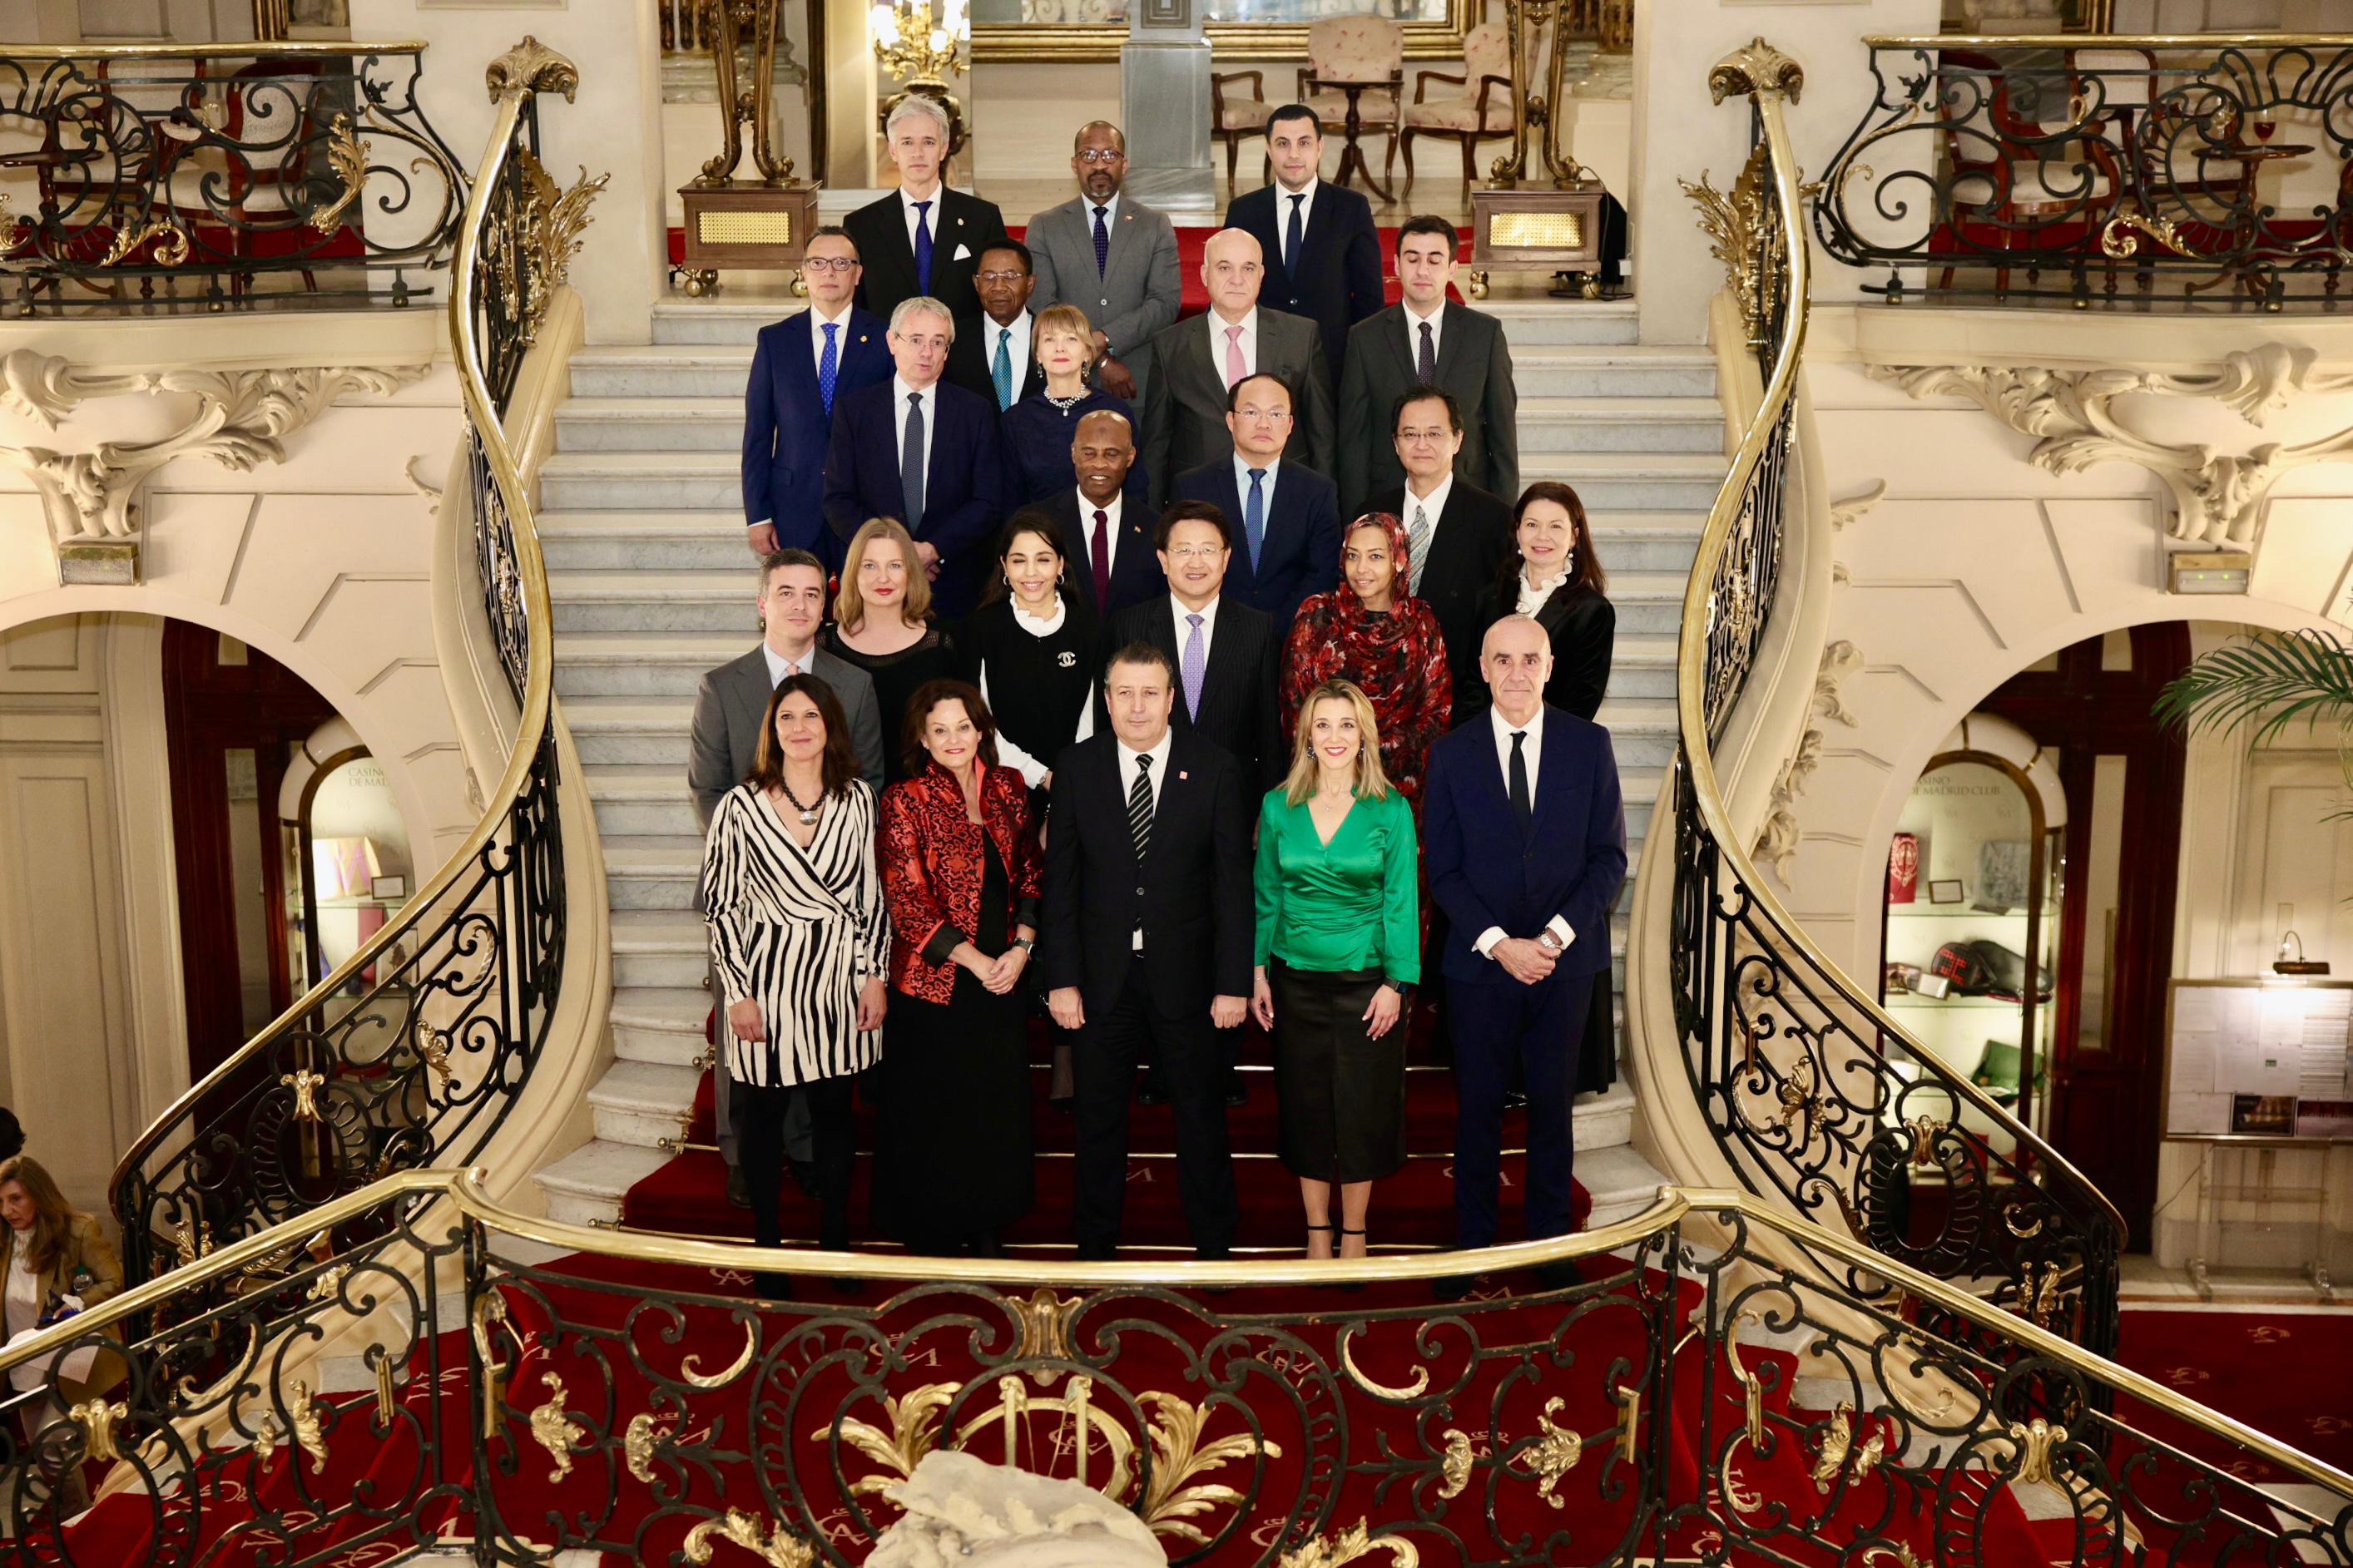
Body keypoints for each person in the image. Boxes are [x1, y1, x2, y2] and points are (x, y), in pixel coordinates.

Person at [1422, 616, 1626, 1297]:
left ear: (1549, 665)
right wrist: (1499, 943)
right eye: (1502, 659)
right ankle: (1470, 1249)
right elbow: (1443, 870)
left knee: (1551, 1112)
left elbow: (1609, 861)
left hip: (1563, 966)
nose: (1516, 672)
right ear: (1482, 667)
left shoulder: (1589, 746)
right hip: (1480, 966)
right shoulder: (1451, 755)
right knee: (1476, 1110)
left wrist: (1554, 938)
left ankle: (1548, 1248)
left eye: (1529, 659)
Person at [687, 550, 886, 1205]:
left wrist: (817, 856)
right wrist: (768, 856)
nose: (799, 605)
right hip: (750, 895)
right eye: (785, 592)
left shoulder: (851, 685)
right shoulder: (724, 684)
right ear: (762, 602)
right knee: (749, 1027)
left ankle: (805, 1151)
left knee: (819, 1033)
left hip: (830, 893)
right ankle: (745, 1153)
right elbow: (710, 787)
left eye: (811, 594)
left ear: (826, 606)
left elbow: (870, 782)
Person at [1043, 642, 1251, 1259]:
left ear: (1171, 698)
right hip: (1101, 980)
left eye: (1150, 692)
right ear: (1106, 700)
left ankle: (1215, 1250)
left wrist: (1232, 981)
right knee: (1098, 1124)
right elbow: (1062, 883)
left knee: (1202, 1121)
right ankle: (1095, 1252)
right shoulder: (1077, 767)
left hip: (1189, 980)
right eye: (1124, 693)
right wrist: (1062, 978)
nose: (1137, 706)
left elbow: (1232, 885)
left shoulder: (1214, 767)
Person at [701, 676, 889, 1295]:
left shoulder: (859, 800)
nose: (800, 727)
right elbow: (723, 904)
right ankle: (769, 1244)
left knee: (837, 1110)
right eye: (787, 716)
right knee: (765, 1112)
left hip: (839, 974)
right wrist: (737, 990)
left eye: (812, 715)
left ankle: (834, 1242)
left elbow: (870, 895)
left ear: (830, 724)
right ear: (771, 728)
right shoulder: (739, 805)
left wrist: (873, 973)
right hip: (768, 975)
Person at [1251, 680, 1419, 1262]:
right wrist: (1256, 970)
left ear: (1364, 736)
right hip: (1295, 981)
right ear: (1306, 736)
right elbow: (1266, 893)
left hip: (1367, 983)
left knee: (1363, 1110)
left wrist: (1396, 983)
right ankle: (1316, 1230)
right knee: (1305, 1108)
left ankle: (1354, 1232)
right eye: (1323, 724)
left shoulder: (1390, 809)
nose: (1335, 736)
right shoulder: (1278, 805)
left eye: (1347, 724)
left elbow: (1401, 900)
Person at [875, 680, 1042, 1256]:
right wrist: (975, 960)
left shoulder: (1008, 788)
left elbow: (1030, 874)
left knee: (993, 1110)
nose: (953, 739)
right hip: (936, 985)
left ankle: (988, 1221)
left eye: (963, 727)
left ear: (981, 729)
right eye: (939, 729)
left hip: (1003, 978)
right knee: (938, 1110)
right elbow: (907, 901)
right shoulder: (905, 798)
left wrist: (1021, 948)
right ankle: (937, 1230)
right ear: (922, 736)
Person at [821, 296, 1006, 617]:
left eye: (938, 343)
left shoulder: (974, 412)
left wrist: (933, 550)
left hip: (951, 582)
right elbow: (838, 499)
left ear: (948, 352)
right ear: (892, 341)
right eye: (916, 340)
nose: (926, 352)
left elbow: (988, 500)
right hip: (874, 582)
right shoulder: (854, 411)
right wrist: (896, 556)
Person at [1337, 215, 1519, 516]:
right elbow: (1353, 440)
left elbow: (1502, 436)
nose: (1423, 270)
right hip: (1388, 500)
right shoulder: (1364, 338)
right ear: (1396, 266)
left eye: (1434, 261)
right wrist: (1355, 519)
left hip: (1469, 495)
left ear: (1452, 269)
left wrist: (1505, 517)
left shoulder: (1484, 334)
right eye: (1413, 259)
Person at [1101, 500, 1285, 795]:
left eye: (1208, 550)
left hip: (1231, 799)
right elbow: (1107, 723)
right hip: (1146, 796)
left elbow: (1269, 736)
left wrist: (1266, 807)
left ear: (1226, 558)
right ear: (1163, 560)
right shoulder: (1128, 626)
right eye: (1183, 550)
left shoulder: (1258, 629)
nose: (1196, 562)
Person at [1139, 227, 1333, 502]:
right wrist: (1155, 519)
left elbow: (1322, 434)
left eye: (1248, 268)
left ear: (1261, 276)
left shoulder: (1300, 336)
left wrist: (1325, 505)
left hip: (1285, 495)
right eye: (1224, 268)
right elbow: (1156, 444)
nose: (1237, 280)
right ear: (1205, 274)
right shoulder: (1170, 345)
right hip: (1200, 500)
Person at [741, 226, 894, 570]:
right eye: (819, 262)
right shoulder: (775, 341)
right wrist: (757, 514)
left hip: (864, 508)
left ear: (858, 274)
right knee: (800, 610)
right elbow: (758, 435)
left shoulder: (885, 338)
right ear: (804, 272)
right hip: (793, 507)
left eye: (841, 263)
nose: (829, 272)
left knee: (860, 615)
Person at [1280, 512, 1453, 808]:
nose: (1361, 569)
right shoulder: (1317, 616)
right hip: (1323, 787)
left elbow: (1436, 716)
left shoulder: (1422, 622)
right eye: (1352, 555)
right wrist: (1340, 757)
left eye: (1375, 557)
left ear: (1398, 560)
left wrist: (1372, 754)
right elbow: (1296, 709)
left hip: (1399, 795)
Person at [1367, 388, 1515, 722]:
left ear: (1458, 440)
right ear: (1395, 443)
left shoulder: (1494, 520)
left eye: (1434, 433)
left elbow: (1500, 617)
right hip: (1378, 697)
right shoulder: (1371, 513)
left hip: (1457, 701)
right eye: (1410, 434)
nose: (1422, 444)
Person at [1223, 104, 1384, 388]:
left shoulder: (1351, 208)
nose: (1294, 154)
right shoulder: (1243, 212)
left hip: (1332, 364)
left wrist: (1360, 365)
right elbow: (1230, 292)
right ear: (1269, 149)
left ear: (1320, 147)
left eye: (1304, 143)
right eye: (1283, 144)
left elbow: (1369, 297)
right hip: (1262, 363)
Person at [1026, 121, 1182, 410]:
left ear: (1124, 164)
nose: (1099, 165)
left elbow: (1165, 302)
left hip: (1136, 382)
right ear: (1074, 164)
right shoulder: (1044, 226)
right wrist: (1102, 357)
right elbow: (1043, 304)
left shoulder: (1155, 225)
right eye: (1088, 155)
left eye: (1110, 155)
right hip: (1066, 379)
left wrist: (1106, 339)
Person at [1169, 371, 1340, 630]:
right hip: (1212, 632)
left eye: (1276, 414)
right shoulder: (1192, 486)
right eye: (1251, 413)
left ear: (1290, 425)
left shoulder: (1318, 491)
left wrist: (1273, 629)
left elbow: (1321, 573)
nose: (1264, 423)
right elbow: (1180, 566)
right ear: (1230, 420)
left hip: (1290, 637)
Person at [0, 1156, 125, 1508]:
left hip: (72, 1358)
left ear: (39, 1196)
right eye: (1, 1202)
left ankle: (80, 1521)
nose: (7, 1210)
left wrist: (78, 1303)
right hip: (25, 1360)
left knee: (53, 1445)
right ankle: (73, 1515)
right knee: (43, 1453)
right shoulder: (5, 1240)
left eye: (16, 1199)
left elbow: (115, 1282)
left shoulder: (78, 1230)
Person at [844, 95, 1009, 323]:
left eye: (928, 142)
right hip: (887, 354)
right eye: (907, 142)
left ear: (943, 150)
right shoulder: (861, 225)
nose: (918, 153)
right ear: (893, 151)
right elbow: (856, 308)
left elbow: (999, 297)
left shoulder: (982, 218)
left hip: (962, 354)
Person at [824, 518, 963, 784]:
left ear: (911, 572)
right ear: (853, 573)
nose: (883, 578)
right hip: (843, 807)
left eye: (895, 565)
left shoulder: (944, 644)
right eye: (870, 566)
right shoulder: (823, 648)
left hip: (925, 812)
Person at [1490, 481, 1613, 721]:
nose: (1542, 536)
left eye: (1555, 527)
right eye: (1532, 525)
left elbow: (1582, 699)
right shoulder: (1489, 598)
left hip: (1554, 745)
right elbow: (1473, 682)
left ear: (1574, 537)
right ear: (1518, 531)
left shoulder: (1593, 611)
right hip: (1487, 744)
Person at [998, 304, 1143, 506]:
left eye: (1071, 339)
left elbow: (1136, 490)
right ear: (1037, 354)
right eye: (1049, 339)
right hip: (1037, 531)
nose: (1060, 347)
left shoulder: (1115, 412)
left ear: (1087, 353)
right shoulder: (1016, 419)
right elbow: (1010, 499)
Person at [1038, 408, 1162, 620]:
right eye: (1088, 453)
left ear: (1130, 457)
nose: (1099, 464)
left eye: (1112, 454)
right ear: (1073, 453)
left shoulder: (1155, 527)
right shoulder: (1039, 522)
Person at [944, 239, 1046, 411]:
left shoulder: (1050, 336)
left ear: (1030, 284)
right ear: (977, 283)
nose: (998, 287)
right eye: (989, 277)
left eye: (1010, 276)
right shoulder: (954, 339)